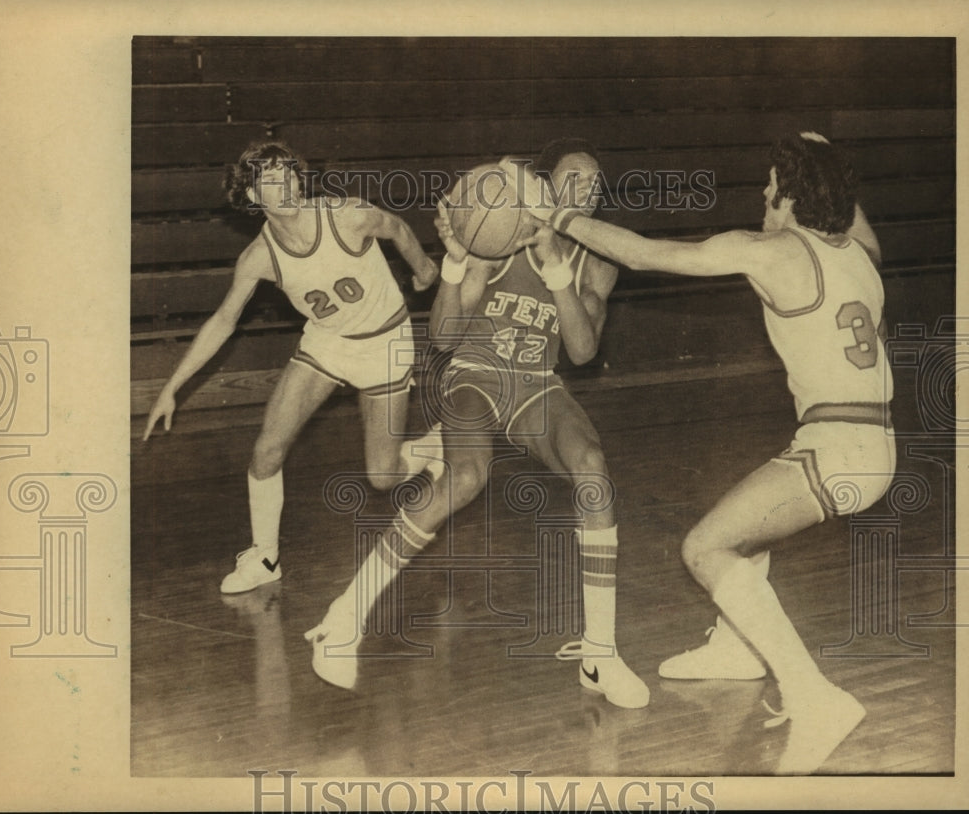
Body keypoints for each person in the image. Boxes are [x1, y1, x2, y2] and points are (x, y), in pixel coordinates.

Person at [502, 132, 895, 773]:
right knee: (750, 520)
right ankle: (738, 647)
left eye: (772, 191)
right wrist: (821, 157)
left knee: (704, 549)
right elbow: (843, 204)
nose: (764, 201)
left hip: (839, 451)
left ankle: (813, 696)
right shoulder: (861, 251)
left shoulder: (771, 251)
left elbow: (645, 253)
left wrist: (560, 216)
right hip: (867, 444)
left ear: (792, 197)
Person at [304, 138, 650, 709]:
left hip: (535, 382)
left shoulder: (597, 261)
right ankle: (343, 619)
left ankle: (600, 653)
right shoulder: (501, 234)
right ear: (542, 190)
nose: (578, 194)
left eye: (589, 187)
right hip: (473, 374)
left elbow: (584, 352)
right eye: (567, 182)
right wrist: (459, 259)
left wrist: (559, 274)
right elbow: (442, 338)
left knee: (592, 470)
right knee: (466, 478)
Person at [142, 141, 441, 594]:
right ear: (251, 198)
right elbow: (224, 320)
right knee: (267, 448)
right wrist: (173, 386)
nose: (285, 186)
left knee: (382, 476)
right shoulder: (258, 258)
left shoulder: (346, 215)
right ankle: (265, 557)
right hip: (327, 342)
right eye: (270, 181)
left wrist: (423, 270)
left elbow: (395, 226)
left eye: (290, 175)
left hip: (384, 341)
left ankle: (433, 448)